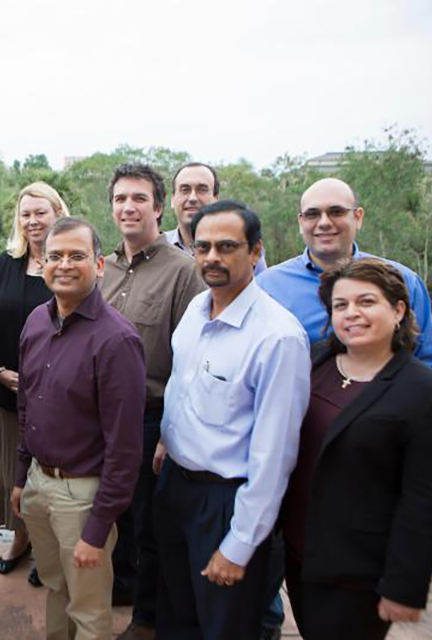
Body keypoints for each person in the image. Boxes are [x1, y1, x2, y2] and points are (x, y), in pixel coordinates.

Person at [278, 258, 432, 640]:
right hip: (299, 554)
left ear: (398, 310)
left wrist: (403, 587)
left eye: (366, 302)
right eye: (341, 305)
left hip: (360, 570)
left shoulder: (431, 396)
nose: (352, 314)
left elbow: (424, 504)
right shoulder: (316, 364)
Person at [155, 201, 310, 639]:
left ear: (256, 251)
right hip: (177, 488)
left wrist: (240, 545)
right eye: (202, 247)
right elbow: (183, 386)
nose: (212, 258)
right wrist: (168, 440)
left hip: (227, 503)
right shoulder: (196, 310)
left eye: (226, 247)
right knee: (178, 617)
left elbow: (274, 455)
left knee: (226, 626)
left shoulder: (277, 337)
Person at [12, 216, 146, 640]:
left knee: (88, 609)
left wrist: (97, 526)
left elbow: (125, 448)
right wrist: (21, 478)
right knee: (55, 587)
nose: (64, 265)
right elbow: (26, 403)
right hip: (38, 485)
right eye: (55, 256)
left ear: (100, 264)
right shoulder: (36, 320)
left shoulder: (116, 340)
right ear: (42, 263)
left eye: (77, 256)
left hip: (83, 496)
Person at [99, 164, 205, 640]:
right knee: (110, 515)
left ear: (159, 208)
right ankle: (117, 593)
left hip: (149, 417)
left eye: (139, 198)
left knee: (149, 524)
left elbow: (193, 358)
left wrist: (169, 432)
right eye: (120, 198)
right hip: (98, 418)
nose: (128, 207)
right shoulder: (104, 266)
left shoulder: (183, 271)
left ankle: (148, 619)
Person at [0, 181, 70, 585]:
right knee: (7, 476)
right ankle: (20, 540)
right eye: (26, 213)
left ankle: (47, 550)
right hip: (5, 393)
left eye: (41, 212)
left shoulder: (67, 264)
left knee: (49, 477)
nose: (33, 221)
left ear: (58, 213)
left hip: (57, 399)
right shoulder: (4, 264)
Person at [257, 177, 432, 369]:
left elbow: (426, 363)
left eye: (336, 212)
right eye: (312, 214)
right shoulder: (267, 286)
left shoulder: (403, 281)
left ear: (358, 218)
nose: (324, 223)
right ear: (301, 222)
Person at [166, 162, 267, 274]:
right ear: (172, 199)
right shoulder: (155, 248)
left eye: (202, 190)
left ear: (216, 199)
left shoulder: (245, 248)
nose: (192, 198)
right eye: (185, 190)